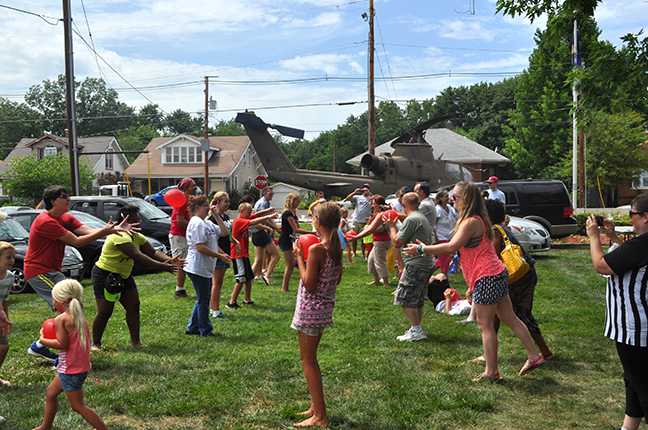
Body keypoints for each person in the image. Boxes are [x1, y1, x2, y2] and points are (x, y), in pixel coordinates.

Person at [403, 182, 543, 380]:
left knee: (485, 325)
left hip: (488, 276)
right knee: (509, 318)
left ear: (466, 198)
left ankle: (492, 371)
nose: (453, 199)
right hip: (494, 274)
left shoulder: (471, 222)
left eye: (456, 196)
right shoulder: (477, 219)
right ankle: (534, 356)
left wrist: (421, 249)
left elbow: (451, 247)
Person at [25, 185, 138, 363]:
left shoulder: (65, 217)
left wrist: (113, 229)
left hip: (53, 270)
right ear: (53, 201)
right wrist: (106, 231)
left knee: (74, 305)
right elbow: (77, 241)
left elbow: (86, 231)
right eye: (64, 196)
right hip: (38, 271)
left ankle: (47, 345)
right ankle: (47, 346)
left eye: (68, 195)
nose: (69, 198)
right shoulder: (45, 221)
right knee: (68, 307)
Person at [587, 194, 648, 430]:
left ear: (645, 216)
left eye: (633, 214)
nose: (630, 219)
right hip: (637, 327)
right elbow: (630, 260)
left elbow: (601, 265)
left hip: (633, 328)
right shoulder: (640, 246)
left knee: (642, 384)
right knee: (634, 380)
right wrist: (612, 237)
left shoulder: (641, 244)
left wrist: (594, 237)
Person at [91, 205, 185, 350]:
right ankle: (95, 344)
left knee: (133, 306)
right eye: (135, 220)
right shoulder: (119, 235)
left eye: (139, 219)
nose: (139, 222)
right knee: (105, 312)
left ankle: (136, 342)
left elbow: (153, 252)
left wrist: (169, 260)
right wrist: (162, 267)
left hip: (123, 275)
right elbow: (137, 256)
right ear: (125, 221)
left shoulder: (137, 236)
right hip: (105, 274)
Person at [291, 202, 343, 428]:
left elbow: (309, 284)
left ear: (318, 221)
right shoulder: (335, 246)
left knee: (308, 361)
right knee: (311, 360)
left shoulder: (315, 249)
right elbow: (337, 279)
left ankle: (320, 416)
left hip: (309, 311)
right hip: (324, 310)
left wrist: (299, 257)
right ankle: (315, 406)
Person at [481, 199, 553, 361]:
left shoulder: (494, 231)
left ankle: (545, 353)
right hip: (524, 273)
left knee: (521, 314)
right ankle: (487, 353)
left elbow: (492, 256)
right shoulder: (502, 227)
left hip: (518, 278)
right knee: (497, 313)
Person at [32, 279, 108, 430]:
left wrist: (43, 340)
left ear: (61, 301)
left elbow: (62, 344)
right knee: (51, 393)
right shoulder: (77, 315)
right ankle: (45, 426)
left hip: (71, 370)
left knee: (78, 406)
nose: (53, 302)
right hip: (76, 367)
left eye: (54, 299)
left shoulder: (61, 319)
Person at [383, 192, 433, 341]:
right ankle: (416, 328)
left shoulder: (411, 220)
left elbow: (397, 242)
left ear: (403, 204)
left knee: (404, 297)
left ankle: (417, 330)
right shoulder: (421, 217)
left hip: (415, 264)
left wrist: (392, 226)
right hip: (425, 263)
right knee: (417, 298)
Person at [185, 195, 231, 337]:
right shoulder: (196, 223)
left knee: (202, 298)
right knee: (204, 300)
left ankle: (192, 328)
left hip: (205, 268)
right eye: (206, 205)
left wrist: (216, 215)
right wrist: (220, 256)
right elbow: (200, 247)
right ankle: (206, 330)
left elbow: (224, 232)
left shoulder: (206, 223)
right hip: (197, 267)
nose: (209, 208)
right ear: (197, 208)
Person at [227, 203, 277, 309]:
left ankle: (247, 299)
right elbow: (254, 221)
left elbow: (257, 215)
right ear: (241, 211)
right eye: (248, 212)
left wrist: (268, 209)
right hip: (237, 255)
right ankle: (231, 302)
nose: (250, 214)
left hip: (244, 254)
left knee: (249, 277)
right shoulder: (239, 221)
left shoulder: (245, 219)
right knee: (241, 279)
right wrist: (269, 216)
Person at [208, 192, 240, 319]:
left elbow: (226, 233)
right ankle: (215, 310)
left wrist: (235, 241)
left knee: (218, 283)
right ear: (217, 203)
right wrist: (221, 254)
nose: (228, 204)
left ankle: (213, 308)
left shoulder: (225, 216)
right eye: (225, 201)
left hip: (225, 254)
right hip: (218, 255)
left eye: (228, 201)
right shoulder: (212, 219)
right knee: (217, 283)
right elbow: (212, 239)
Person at [169, 177, 198, 299]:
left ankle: (181, 289)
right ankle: (179, 291)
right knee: (182, 263)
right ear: (186, 188)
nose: (196, 187)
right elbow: (179, 221)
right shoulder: (181, 201)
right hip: (178, 235)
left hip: (184, 235)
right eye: (193, 185)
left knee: (187, 262)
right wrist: (194, 226)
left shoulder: (189, 201)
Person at [355, 195, 392, 287]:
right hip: (377, 241)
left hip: (382, 241)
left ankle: (386, 283)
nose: (371, 205)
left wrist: (368, 230)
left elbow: (380, 229)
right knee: (371, 260)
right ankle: (376, 280)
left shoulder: (382, 214)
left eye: (374, 203)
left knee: (379, 261)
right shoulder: (376, 214)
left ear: (380, 205)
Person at [279, 193, 312, 292]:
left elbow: (298, 228)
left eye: (299, 201)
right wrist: (312, 232)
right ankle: (284, 288)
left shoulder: (293, 213)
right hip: (285, 240)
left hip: (291, 239)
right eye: (297, 201)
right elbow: (295, 229)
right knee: (290, 265)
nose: (298, 203)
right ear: (291, 201)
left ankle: (285, 287)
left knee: (292, 264)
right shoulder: (287, 213)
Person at [250, 187, 281, 285]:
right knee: (276, 255)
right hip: (260, 232)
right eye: (270, 194)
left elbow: (269, 218)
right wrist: (273, 228)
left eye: (273, 194)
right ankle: (267, 276)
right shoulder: (262, 203)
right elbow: (263, 219)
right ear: (264, 193)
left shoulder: (266, 203)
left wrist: (275, 226)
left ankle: (250, 280)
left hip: (257, 233)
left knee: (258, 258)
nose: (271, 196)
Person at [0, 241, 15, 387]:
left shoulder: (10, 277)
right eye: (8, 257)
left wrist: (6, 316)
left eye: (13, 257)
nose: (12, 260)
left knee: (3, 347)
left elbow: (5, 298)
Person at [434, 188, 457, 279]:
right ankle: (445, 278)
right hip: (441, 237)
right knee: (444, 259)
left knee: (445, 258)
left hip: (450, 237)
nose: (448, 198)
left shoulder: (450, 208)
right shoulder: (438, 210)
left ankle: (428, 272)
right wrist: (436, 239)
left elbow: (454, 219)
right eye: (446, 197)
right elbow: (433, 225)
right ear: (440, 198)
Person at [346, 184, 373, 258]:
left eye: (367, 189)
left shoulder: (370, 198)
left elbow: (375, 199)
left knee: (363, 239)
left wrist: (369, 193)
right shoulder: (358, 197)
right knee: (354, 237)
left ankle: (362, 253)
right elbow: (348, 198)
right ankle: (354, 252)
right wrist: (355, 192)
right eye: (364, 189)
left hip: (365, 221)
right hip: (356, 220)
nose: (365, 190)